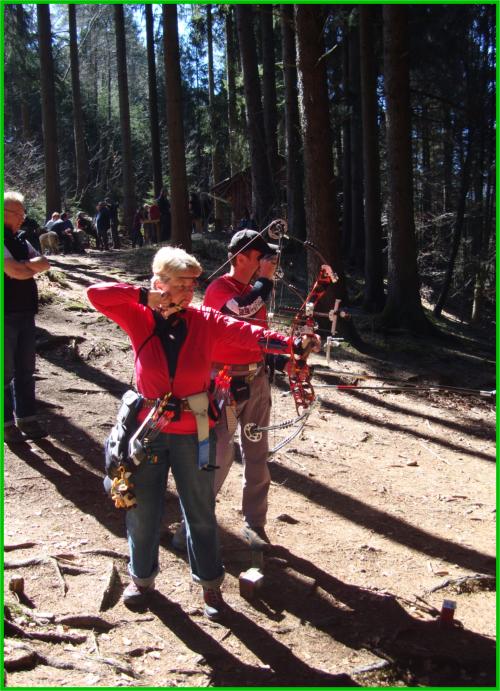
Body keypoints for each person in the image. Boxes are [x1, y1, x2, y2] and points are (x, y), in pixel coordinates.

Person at [86, 246, 314, 618]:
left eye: (193, 284)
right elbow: (95, 294)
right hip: (149, 431)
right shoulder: (139, 315)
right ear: (160, 283)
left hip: (194, 431)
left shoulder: (203, 319)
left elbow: (247, 333)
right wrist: (145, 297)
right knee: (142, 511)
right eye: (181, 284)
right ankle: (141, 580)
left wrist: (292, 345)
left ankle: (210, 587)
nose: (189, 291)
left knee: (201, 512)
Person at [174, 230, 285, 551]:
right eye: (260, 256)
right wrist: (266, 280)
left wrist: (285, 360)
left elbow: (258, 336)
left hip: (256, 379)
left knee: (257, 452)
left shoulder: (253, 291)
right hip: (224, 384)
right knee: (219, 453)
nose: (267, 261)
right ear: (240, 258)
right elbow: (239, 312)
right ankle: (191, 525)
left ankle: (255, 524)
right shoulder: (219, 289)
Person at [4, 191, 50, 443]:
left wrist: (23, 266)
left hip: (26, 313)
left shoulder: (21, 239)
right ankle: (6, 424)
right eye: (17, 213)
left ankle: (27, 419)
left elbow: (44, 263)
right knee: (5, 371)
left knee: (26, 370)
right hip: (5, 314)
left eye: (23, 213)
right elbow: (16, 272)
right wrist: (25, 267)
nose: (22, 217)